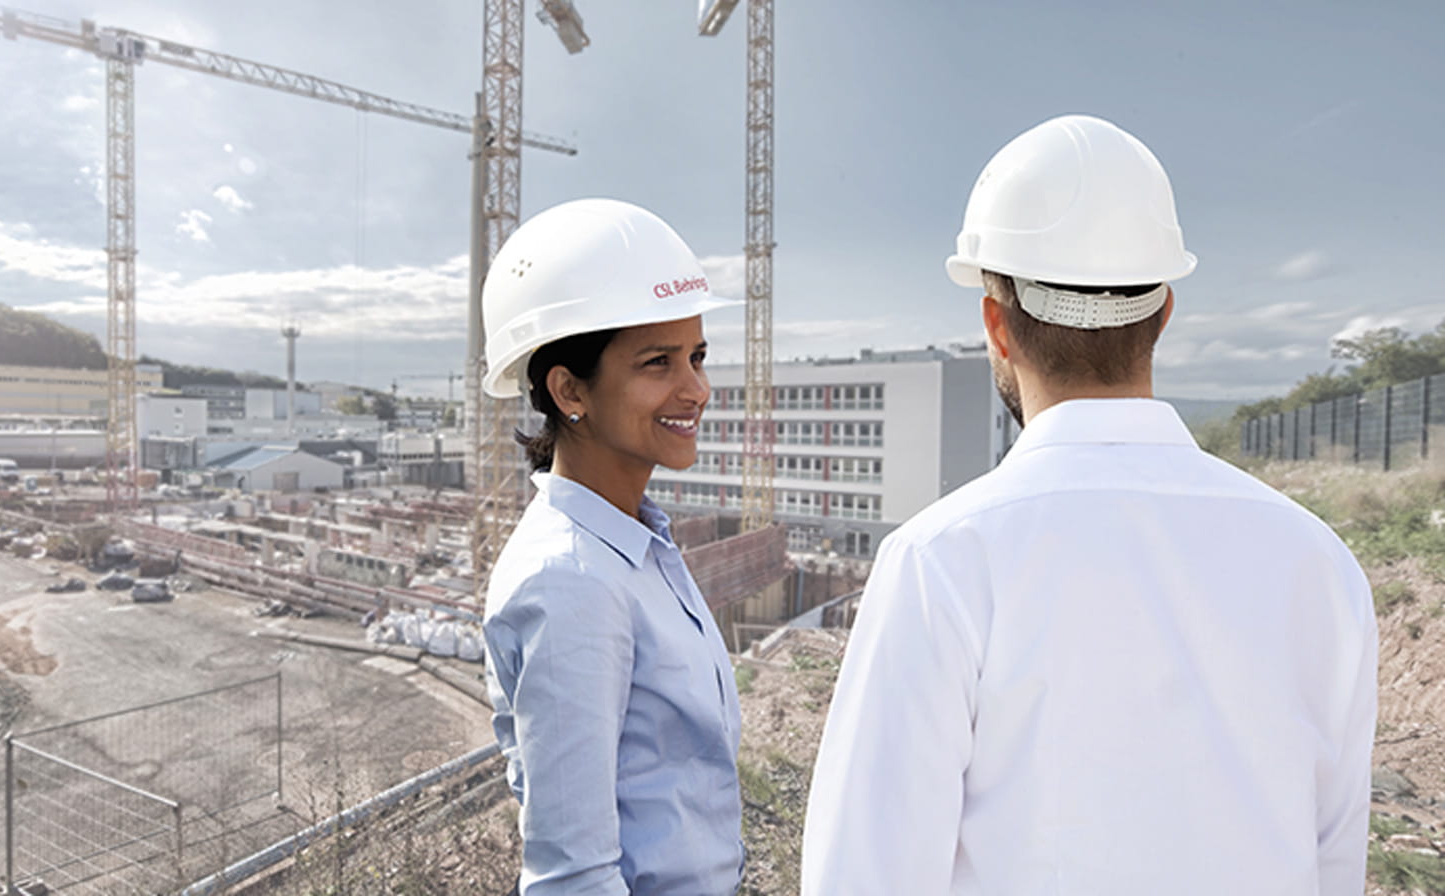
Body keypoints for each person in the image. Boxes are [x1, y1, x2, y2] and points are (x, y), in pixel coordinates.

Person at [801, 115, 1377, 894]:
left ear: (995, 324)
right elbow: (1335, 860)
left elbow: (866, 875)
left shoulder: (944, 560)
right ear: (1163, 312)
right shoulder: (1318, 561)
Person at [479, 198, 746, 895]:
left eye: (697, 357)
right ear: (570, 389)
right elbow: (574, 878)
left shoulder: (633, 546)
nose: (697, 390)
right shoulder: (571, 581)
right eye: (658, 363)